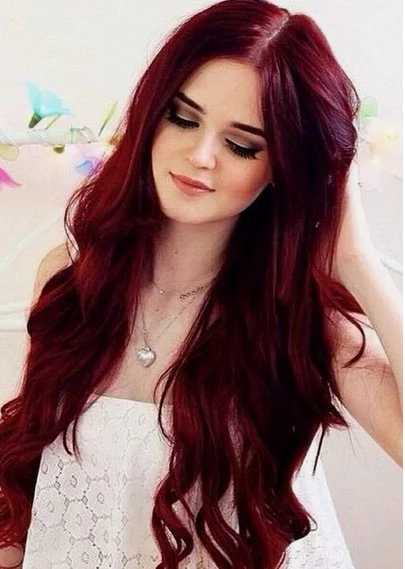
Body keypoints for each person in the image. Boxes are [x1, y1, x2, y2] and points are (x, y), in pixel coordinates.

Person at [0, 0, 402, 568]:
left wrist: (357, 260)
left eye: (242, 145)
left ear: (282, 166)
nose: (201, 155)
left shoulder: (303, 322)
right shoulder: (71, 281)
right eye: (183, 118)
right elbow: (37, 474)